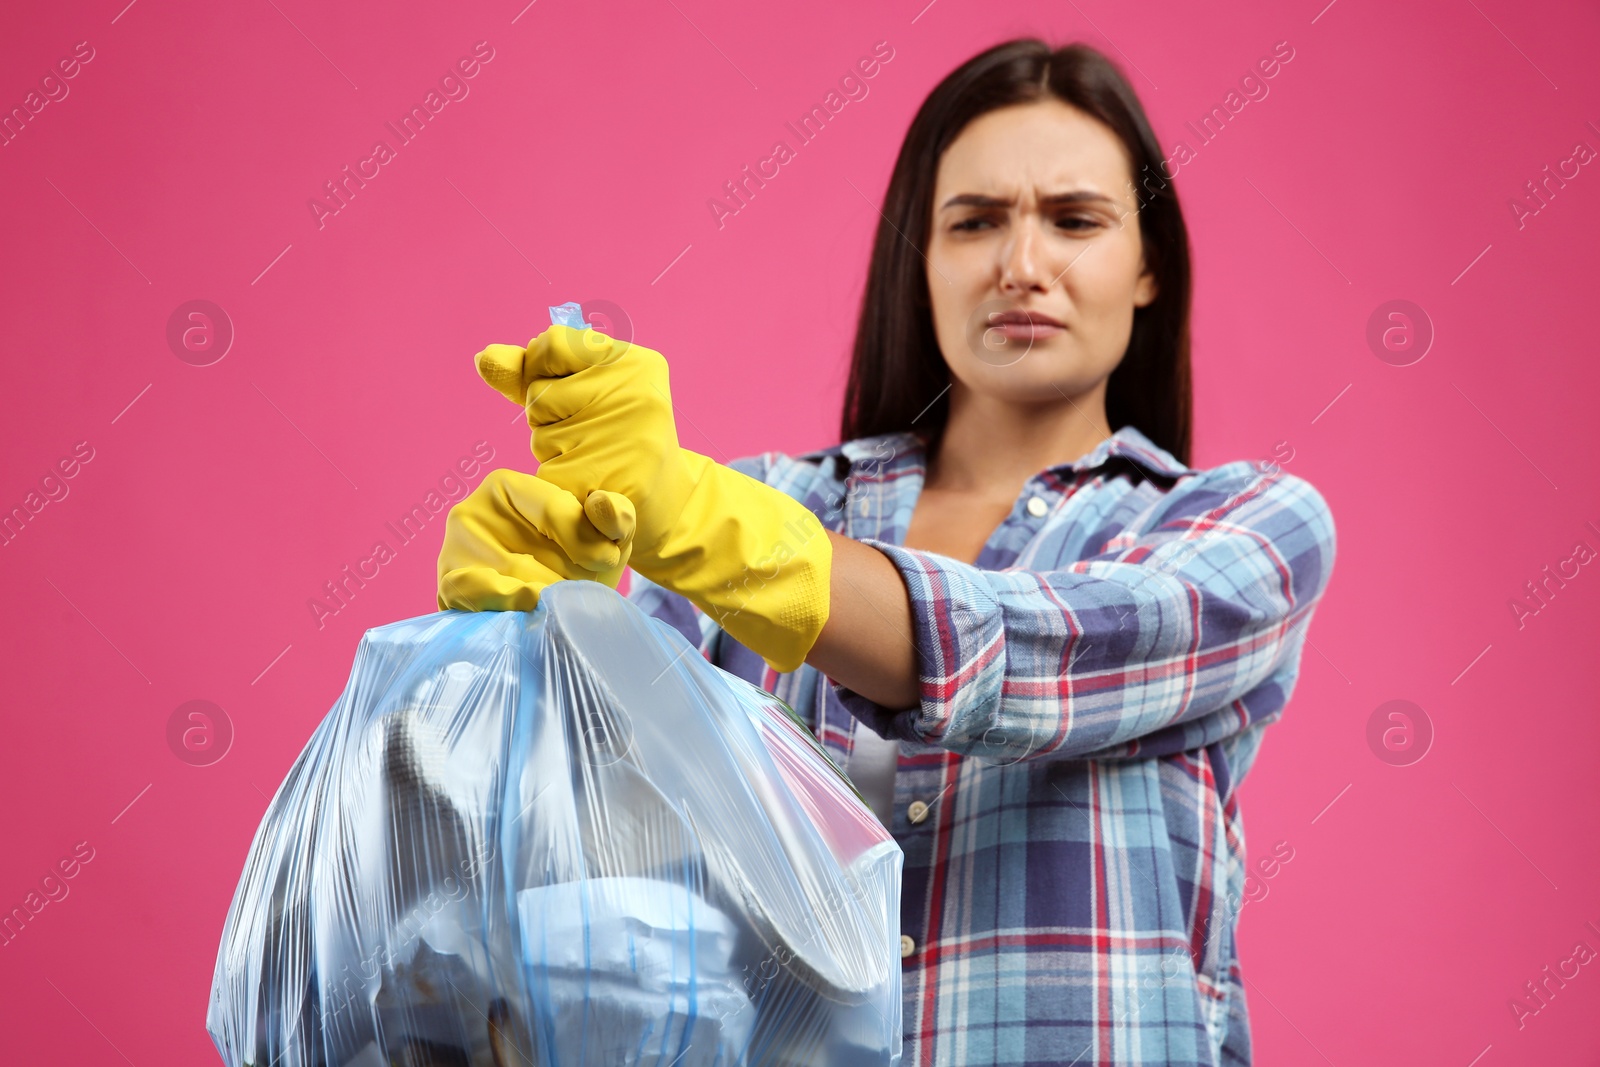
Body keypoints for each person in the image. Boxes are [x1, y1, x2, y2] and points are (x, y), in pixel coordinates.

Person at [436, 38, 1336, 1067]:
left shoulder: (1244, 526)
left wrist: (704, 524)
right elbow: (587, 849)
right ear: (924, 261)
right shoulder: (778, 502)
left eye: (1075, 221)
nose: (1021, 264)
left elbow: (1041, 647)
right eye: (975, 222)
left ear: (1147, 268)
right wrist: (542, 641)